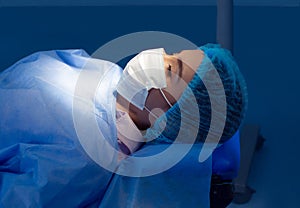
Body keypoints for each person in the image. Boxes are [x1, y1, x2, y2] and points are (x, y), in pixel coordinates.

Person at [115, 44, 247, 155]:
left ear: (168, 119)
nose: (161, 57)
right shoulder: (114, 76)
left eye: (170, 68)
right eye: (173, 54)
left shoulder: (102, 147)